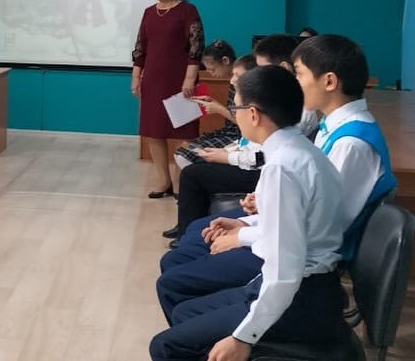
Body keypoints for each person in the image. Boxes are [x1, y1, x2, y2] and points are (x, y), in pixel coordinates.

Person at [155, 34, 395, 322]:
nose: (295, 82)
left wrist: (243, 235)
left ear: (329, 81)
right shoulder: (336, 127)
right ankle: (203, 324)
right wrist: (257, 212)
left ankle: (210, 327)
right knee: (193, 238)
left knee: (178, 270)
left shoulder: (351, 144)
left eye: (300, 74)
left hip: (306, 261)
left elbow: (320, 226)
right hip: (292, 240)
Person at [149, 65, 350, 361]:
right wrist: (244, 226)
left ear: (253, 114)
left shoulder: (282, 168)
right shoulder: (298, 151)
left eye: (236, 107)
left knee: (165, 346)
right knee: (184, 312)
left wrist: (244, 337)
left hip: (302, 298)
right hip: (309, 287)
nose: (235, 114)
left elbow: (284, 273)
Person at [164, 54, 258, 242]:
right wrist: (227, 152)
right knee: (192, 160)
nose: (232, 80)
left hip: (251, 167)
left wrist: (227, 156)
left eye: (238, 76)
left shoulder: (263, 105)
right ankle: (187, 227)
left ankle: (187, 233)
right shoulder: (246, 95)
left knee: (192, 172)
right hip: (241, 152)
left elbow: (260, 154)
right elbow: (247, 141)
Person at [132, 0, 205, 198]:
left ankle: (180, 181)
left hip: (180, 79)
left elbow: (196, 48)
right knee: (154, 131)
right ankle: (163, 181)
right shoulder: (148, 13)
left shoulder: (187, 10)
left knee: (184, 132)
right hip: (153, 80)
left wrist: (190, 79)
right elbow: (140, 48)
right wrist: (136, 77)